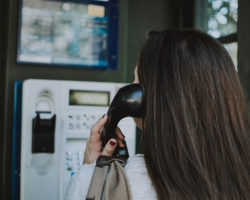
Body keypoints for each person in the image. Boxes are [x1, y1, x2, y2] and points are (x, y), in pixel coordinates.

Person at [65, 30, 250, 200]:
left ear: (140, 100)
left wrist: (92, 171)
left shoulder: (101, 183)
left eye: (134, 81)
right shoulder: (240, 177)